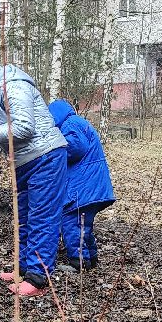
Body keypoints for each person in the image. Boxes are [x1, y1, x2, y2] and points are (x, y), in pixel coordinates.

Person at [0, 47, 68, 297]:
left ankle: (38, 279)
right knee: (23, 218)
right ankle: (23, 268)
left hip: (46, 157)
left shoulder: (13, 87)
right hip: (22, 163)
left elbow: (24, 129)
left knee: (42, 217)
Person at [48, 99, 115, 270]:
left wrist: (52, 150)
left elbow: (75, 147)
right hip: (92, 185)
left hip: (84, 187)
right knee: (84, 225)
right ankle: (91, 258)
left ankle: (79, 262)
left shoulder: (70, 124)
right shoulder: (77, 122)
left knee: (71, 221)